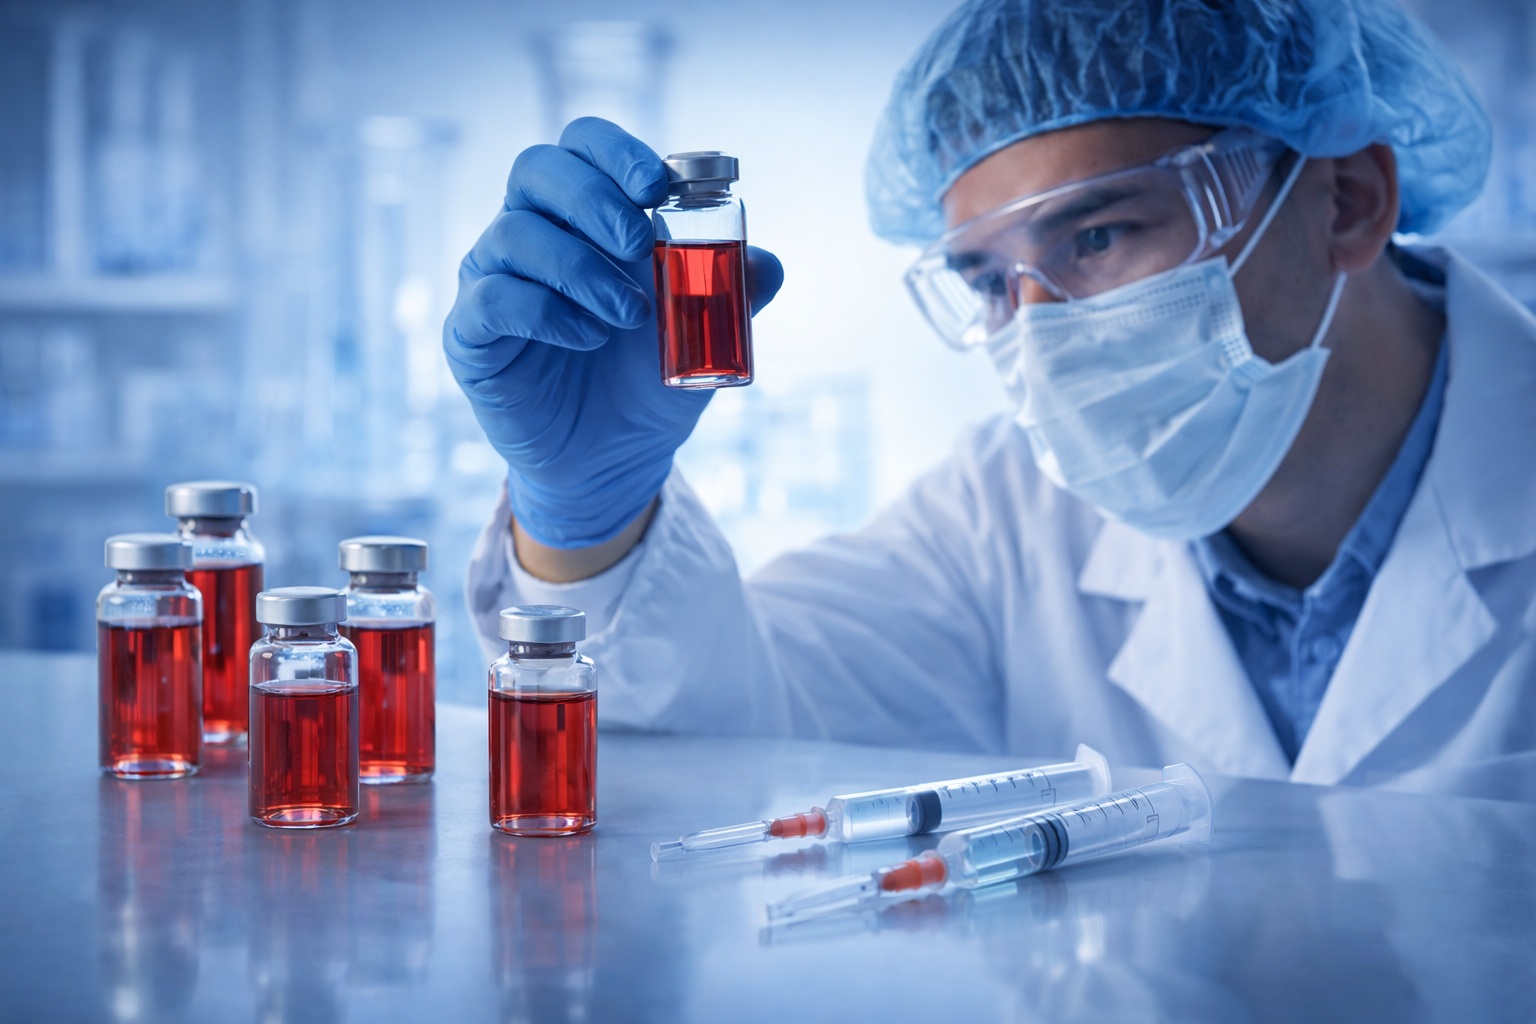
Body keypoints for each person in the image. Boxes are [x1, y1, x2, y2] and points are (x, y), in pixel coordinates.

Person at [445, 0, 1536, 803]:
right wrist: (589, 513)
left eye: (1097, 235)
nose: (1039, 327)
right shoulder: (1000, 519)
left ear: (1347, 200)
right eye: (984, 276)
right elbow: (711, 740)